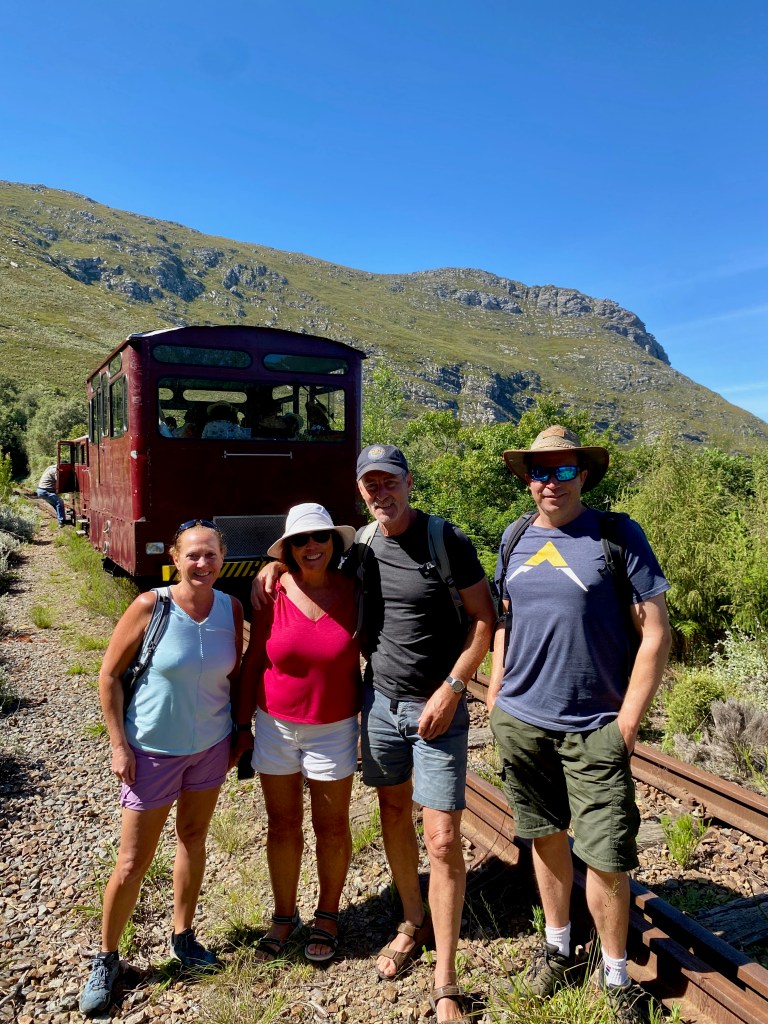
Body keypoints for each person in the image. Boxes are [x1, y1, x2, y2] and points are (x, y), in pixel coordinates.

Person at [254, 445, 495, 1022]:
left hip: (437, 706)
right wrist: (277, 566)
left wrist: (454, 688)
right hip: (380, 705)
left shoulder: (446, 540)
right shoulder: (361, 546)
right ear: (361, 493)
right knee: (392, 814)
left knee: (442, 839)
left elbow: (485, 618)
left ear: (409, 483)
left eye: (390, 482)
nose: (381, 493)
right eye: (371, 485)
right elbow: (314, 572)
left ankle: (445, 979)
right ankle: (412, 920)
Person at [487, 425, 672, 1023]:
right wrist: (496, 694)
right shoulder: (515, 537)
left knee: (607, 856)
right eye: (540, 471)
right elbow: (505, 619)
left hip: (595, 726)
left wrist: (627, 725)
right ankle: (559, 948)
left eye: (564, 469)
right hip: (523, 720)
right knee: (544, 836)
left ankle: (615, 978)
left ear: (584, 475)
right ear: (527, 479)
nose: (551, 482)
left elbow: (656, 633)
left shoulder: (616, 535)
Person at [79, 520, 244, 1018]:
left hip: (210, 747)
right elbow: (110, 675)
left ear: (222, 558)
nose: (202, 563)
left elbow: (234, 677)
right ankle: (106, 958)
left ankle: (183, 936)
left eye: (210, 554)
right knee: (133, 861)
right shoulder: (151, 606)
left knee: (193, 838)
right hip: (151, 751)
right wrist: (119, 745)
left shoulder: (231, 609)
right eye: (192, 554)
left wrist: (239, 733)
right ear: (175, 556)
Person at [233, 503, 359, 964]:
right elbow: (253, 660)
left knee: (332, 826)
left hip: (334, 727)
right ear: (287, 549)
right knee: (282, 824)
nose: (311, 546)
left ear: (334, 543)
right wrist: (241, 725)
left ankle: (328, 915)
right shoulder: (270, 593)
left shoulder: (355, 589)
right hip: (275, 726)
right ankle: (283, 916)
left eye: (320, 537)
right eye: (300, 540)